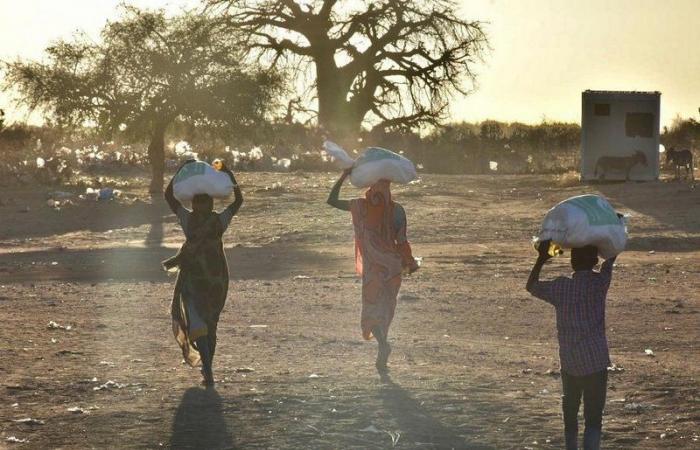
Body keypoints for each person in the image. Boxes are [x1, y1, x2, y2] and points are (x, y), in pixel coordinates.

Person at [526, 241, 616, 450]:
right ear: (594, 261)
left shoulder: (560, 287)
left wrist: (542, 258)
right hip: (596, 360)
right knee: (593, 417)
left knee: (570, 414)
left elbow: (531, 285)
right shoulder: (600, 283)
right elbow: (612, 255)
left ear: (572, 262)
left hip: (570, 361)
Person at [327, 168, 419, 373]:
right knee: (386, 309)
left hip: (374, 267)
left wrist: (342, 177)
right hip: (393, 267)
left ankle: (382, 345)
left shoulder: (361, 206)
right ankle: (382, 354)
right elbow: (402, 241)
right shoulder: (398, 210)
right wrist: (410, 263)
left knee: (371, 308)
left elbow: (331, 200)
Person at [163, 160, 243, 386]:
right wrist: (229, 175)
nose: (198, 206)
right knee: (208, 327)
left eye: (200, 202)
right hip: (215, 280)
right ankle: (208, 369)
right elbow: (239, 201)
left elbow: (169, 197)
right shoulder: (219, 220)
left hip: (199, 282)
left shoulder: (189, 220)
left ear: (204, 204)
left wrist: (180, 173)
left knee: (202, 326)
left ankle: (208, 369)